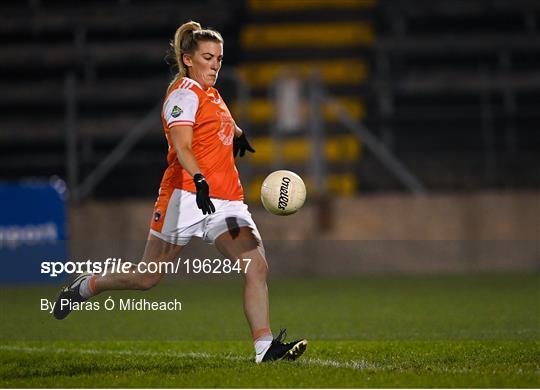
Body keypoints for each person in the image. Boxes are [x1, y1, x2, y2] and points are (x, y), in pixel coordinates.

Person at [52, 21, 307, 363]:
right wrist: (200, 179)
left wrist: (238, 134)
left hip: (226, 199)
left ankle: (264, 349)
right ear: (188, 59)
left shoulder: (212, 93)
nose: (215, 64)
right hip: (186, 194)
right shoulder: (183, 95)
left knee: (255, 267)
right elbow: (183, 146)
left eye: (218, 57)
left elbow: (222, 121)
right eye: (207, 57)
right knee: (146, 278)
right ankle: (85, 286)